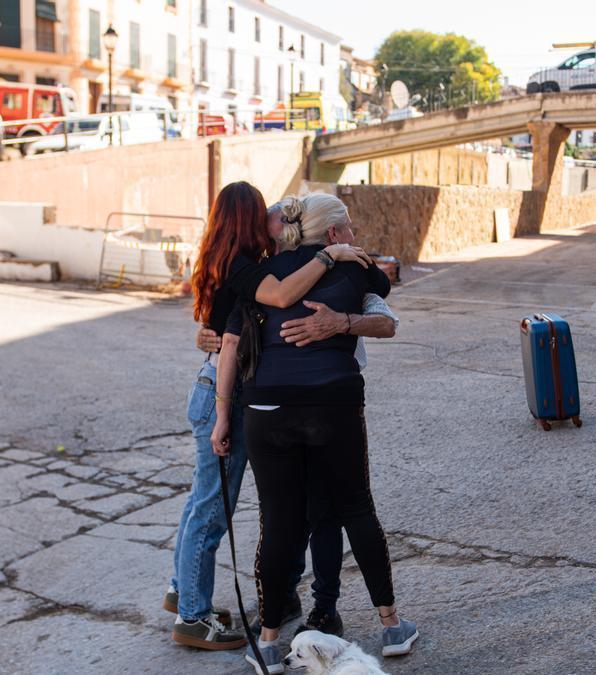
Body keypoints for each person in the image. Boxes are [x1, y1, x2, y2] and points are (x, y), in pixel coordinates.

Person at [216, 194, 418, 674]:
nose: (353, 234)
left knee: (279, 523)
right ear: (332, 234)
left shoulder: (261, 275)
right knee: (355, 508)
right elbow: (381, 294)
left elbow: (229, 343)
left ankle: (267, 643)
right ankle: (392, 626)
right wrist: (350, 274)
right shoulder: (354, 270)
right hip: (332, 403)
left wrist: (224, 416)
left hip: (266, 409)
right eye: (347, 226)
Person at [166, 182, 373, 651]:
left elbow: (220, 328)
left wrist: (208, 335)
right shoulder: (246, 268)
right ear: (248, 219)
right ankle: (191, 615)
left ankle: (184, 590)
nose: (273, 221)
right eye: (266, 214)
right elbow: (277, 300)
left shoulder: (233, 261)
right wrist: (329, 255)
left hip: (228, 388)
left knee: (212, 501)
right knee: (212, 507)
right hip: (225, 393)